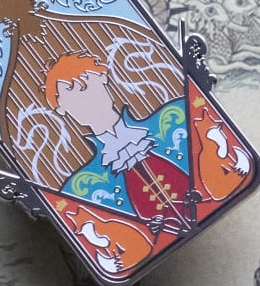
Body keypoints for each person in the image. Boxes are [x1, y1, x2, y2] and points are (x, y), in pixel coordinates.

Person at [44, 52, 195, 235]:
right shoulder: (78, 188)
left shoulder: (176, 115)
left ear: (103, 77)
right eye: (72, 99)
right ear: (61, 109)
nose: (86, 102)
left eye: (86, 88)